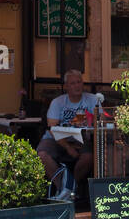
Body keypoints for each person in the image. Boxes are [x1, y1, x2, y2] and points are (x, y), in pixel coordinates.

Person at [39, 69, 97, 199]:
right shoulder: (58, 102)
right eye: (72, 83)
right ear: (66, 86)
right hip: (56, 139)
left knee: (88, 157)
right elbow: (52, 128)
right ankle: (62, 187)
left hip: (81, 138)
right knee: (42, 154)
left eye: (79, 82)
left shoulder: (92, 100)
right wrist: (68, 147)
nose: (77, 86)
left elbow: (101, 122)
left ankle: (71, 188)